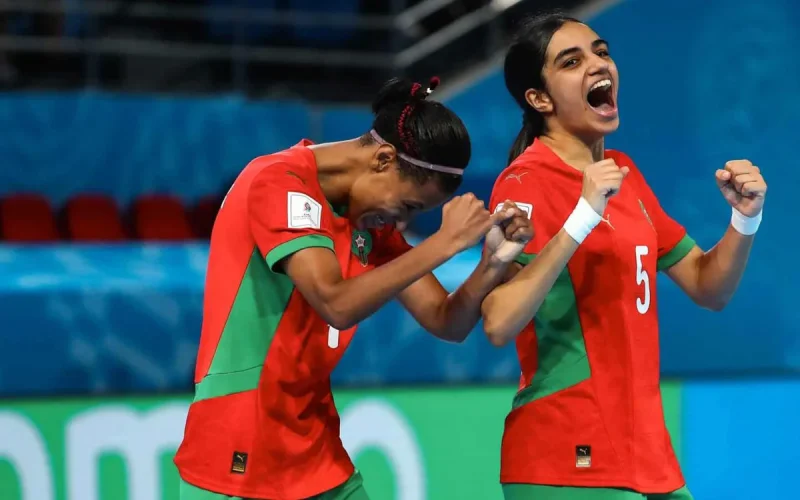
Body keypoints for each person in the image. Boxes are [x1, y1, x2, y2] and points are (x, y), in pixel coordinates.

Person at [173, 77, 533, 500]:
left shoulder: (366, 217)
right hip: (238, 451)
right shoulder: (278, 182)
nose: (400, 222)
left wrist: (492, 263)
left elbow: (446, 321)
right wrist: (445, 242)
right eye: (408, 206)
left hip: (315, 450)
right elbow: (335, 303)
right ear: (383, 159)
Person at [479, 12, 767, 500]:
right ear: (539, 99)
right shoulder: (523, 183)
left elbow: (708, 286)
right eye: (571, 62)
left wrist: (745, 220)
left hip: (646, 455)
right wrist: (581, 218)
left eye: (601, 52)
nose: (598, 64)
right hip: (568, 456)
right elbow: (498, 322)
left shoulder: (622, 173)